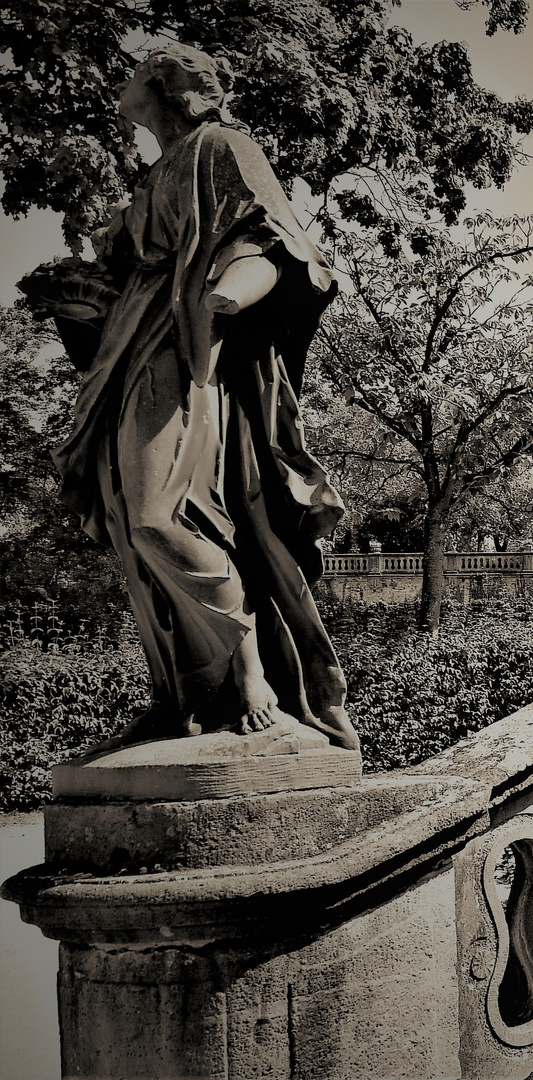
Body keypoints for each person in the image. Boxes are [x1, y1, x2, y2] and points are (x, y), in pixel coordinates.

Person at [32, 44, 358, 752]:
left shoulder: (223, 147)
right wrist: (80, 297)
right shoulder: (153, 177)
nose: (118, 76)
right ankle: (187, 692)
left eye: (131, 69)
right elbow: (126, 277)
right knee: (131, 527)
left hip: (187, 344)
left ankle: (251, 676)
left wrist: (223, 294)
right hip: (131, 345)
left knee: (160, 514)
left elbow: (274, 245)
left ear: (160, 84)